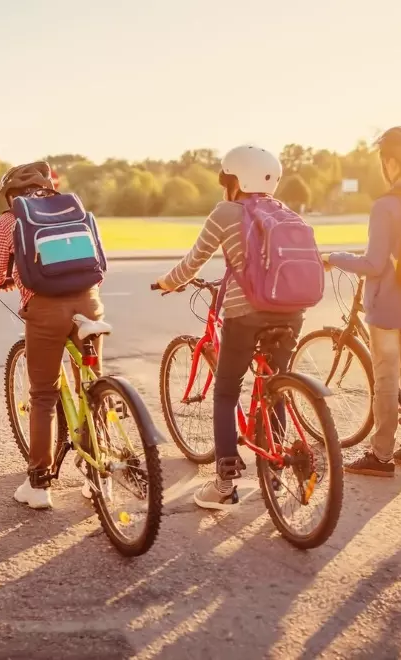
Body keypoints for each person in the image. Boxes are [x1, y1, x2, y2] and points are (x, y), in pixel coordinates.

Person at [154, 145, 303, 511]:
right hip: (292, 311)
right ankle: (274, 473)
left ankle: (224, 485)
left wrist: (167, 283)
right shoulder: (284, 213)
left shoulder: (226, 211)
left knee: (226, 389)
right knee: (275, 387)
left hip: (245, 312)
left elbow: (193, 262)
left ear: (234, 180)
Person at [0, 162, 99, 510]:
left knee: (44, 394)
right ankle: (97, 473)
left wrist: (5, 277)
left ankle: (39, 484)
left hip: (46, 310)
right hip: (90, 304)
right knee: (90, 385)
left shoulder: (8, 219)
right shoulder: (73, 208)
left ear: (10, 195)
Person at [324, 126, 401, 477]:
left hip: (387, 304)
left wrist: (335, 257)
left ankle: (381, 455)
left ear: (390, 163)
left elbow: (373, 264)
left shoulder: (385, 206)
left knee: (386, 379)